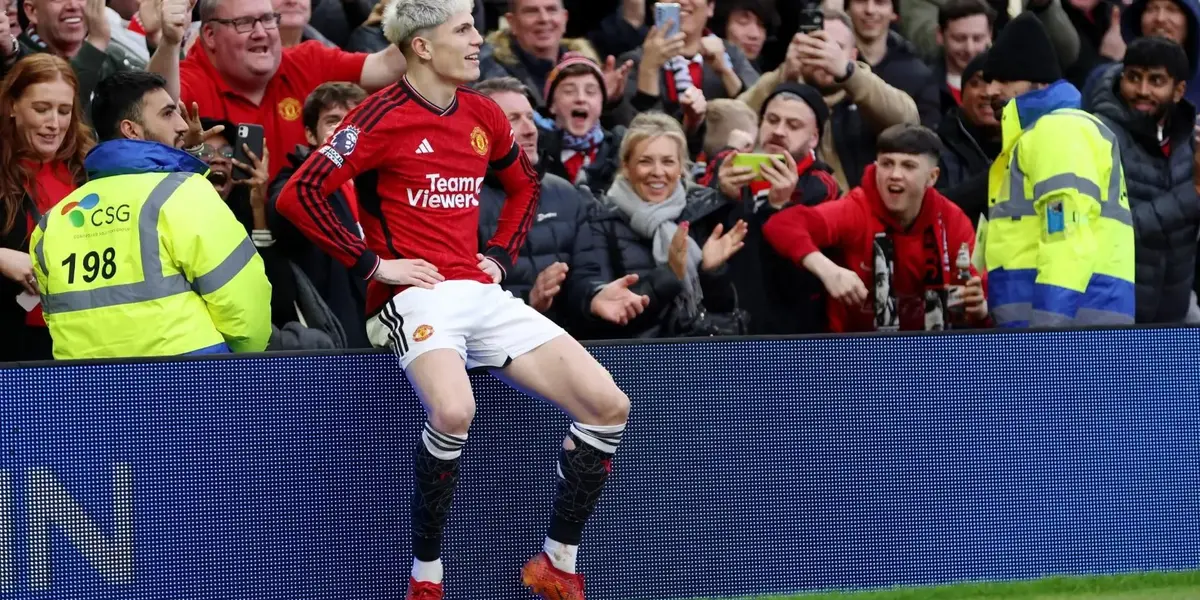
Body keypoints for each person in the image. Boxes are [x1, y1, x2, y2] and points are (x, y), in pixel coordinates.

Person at [272, 0, 631, 598]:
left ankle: (556, 561)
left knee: (609, 405)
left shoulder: (484, 113)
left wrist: (501, 255)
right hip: (415, 296)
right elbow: (299, 193)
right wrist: (372, 264)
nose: (475, 40)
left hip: (479, 289)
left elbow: (524, 186)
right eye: (462, 29)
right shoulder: (377, 115)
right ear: (421, 45)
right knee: (455, 411)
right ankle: (426, 577)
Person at [29, 69, 271, 359]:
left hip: (91, 394)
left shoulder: (55, 220)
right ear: (131, 130)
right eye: (169, 114)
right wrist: (241, 363)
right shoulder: (186, 194)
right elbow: (244, 301)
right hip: (191, 387)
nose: (183, 125)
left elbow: (56, 319)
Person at [981, 12, 1135, 327]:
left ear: (1039, 81)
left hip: (1069, 333)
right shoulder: (1036, 136)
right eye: (989, 79)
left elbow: (1067, 238)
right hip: (1058, 329)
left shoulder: (1059, 131)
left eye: (1006, 78)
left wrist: (1047, 331)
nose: (991, 90)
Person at [762, 124, 988, 332]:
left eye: (908, 166)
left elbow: (973, 300)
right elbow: (782, 223)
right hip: (852, 353)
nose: (895, 175)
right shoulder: (856, 208)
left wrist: (979, 311)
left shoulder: (951, 219)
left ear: (932, 177)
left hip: (930, 352)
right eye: (887, 163)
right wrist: (828, 270)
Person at [474, 76, 650, 332]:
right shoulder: (457, 199)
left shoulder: (565, 193)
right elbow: (461, 298)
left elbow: (583, 277)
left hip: (562, 343)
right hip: (490, 352)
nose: (530, 129)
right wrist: (527, 302)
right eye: (513, 119)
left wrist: (595, 296)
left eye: (530, 118)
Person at [587, 112, 748, 338]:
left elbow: (724, 312)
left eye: (668, 161)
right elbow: (604, 319)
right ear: (626, 165)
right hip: (636, 359)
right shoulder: (601, 221)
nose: (658, 172)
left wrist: (712, 273)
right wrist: (670, 274)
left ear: (680, 166)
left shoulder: (701, 213)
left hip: (696, 355)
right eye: (645, 161)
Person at [1085, 37, 1199, 324]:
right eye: (1133, 78)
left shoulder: (1189, 139)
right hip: (1115, 315)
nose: (1142, 91)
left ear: (1178, 90)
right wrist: (1193, 194)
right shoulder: (1097, 134)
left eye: (1156, 81)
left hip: (1175, 310)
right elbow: (1105, 231)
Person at [0, 54, 91, 362]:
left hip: (82, 338)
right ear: (13, 105)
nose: (54, 123)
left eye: (64, 111)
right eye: (41, 109)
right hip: (14, 342)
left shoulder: (89, 169)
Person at [269, 81, 371, 347]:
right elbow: (283, 215)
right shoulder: (293, 183)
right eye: (333, 121)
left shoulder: (389, 182)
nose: (345, 129)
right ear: (311, 135)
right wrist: (329, 162)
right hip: (340, 336)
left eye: (355, 119)